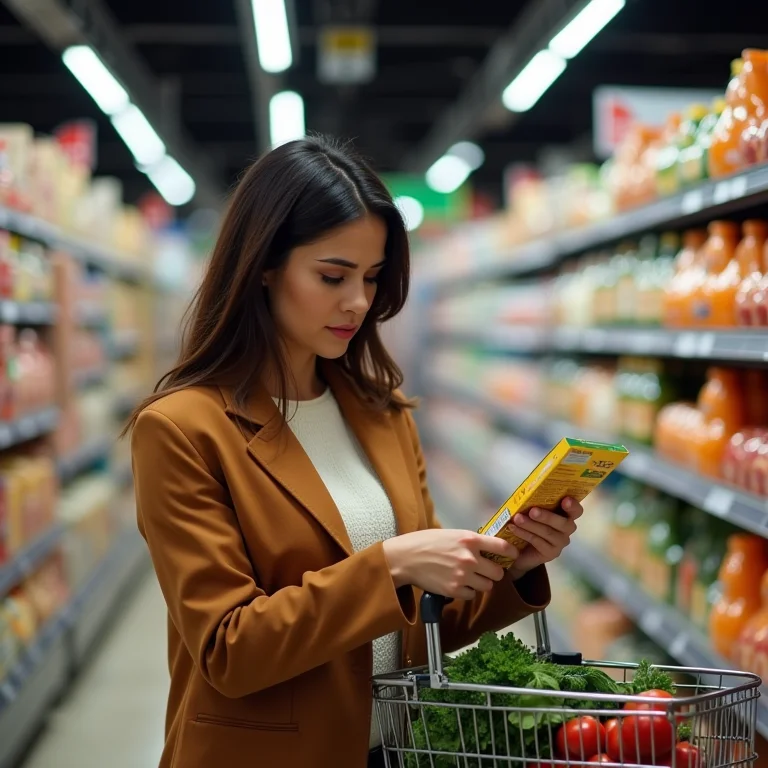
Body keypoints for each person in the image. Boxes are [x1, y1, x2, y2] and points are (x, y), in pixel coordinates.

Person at [127, 135, 582, 768]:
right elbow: (228, 649)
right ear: (263, 265)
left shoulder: (382, 415)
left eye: (371, 278)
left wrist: (512, 564)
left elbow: (415, 633)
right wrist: (391, 563)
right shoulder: (182, 430)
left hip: (389, 750)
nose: (359, 303)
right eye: (332, 276)